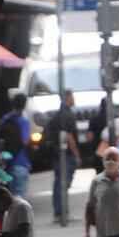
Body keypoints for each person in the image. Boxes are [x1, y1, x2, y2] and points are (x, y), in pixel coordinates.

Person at [51, 90, 81, 223]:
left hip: (58, 154)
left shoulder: (58, 114)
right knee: (63, 184)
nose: (74, 99)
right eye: (72, 96)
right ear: (67, 98)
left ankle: (60, 212)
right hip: (66, 155)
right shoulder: (67, 115)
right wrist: (77, 155)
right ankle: (62, 213)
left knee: (59, 183)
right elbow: (69, 137)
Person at [0, 93, 32, 197]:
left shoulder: (5, 119)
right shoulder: (24, 121)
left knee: (8, 197)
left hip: (7, 163)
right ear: (24, 105)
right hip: (20, 163)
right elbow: (25, 141)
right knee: (19, 199)